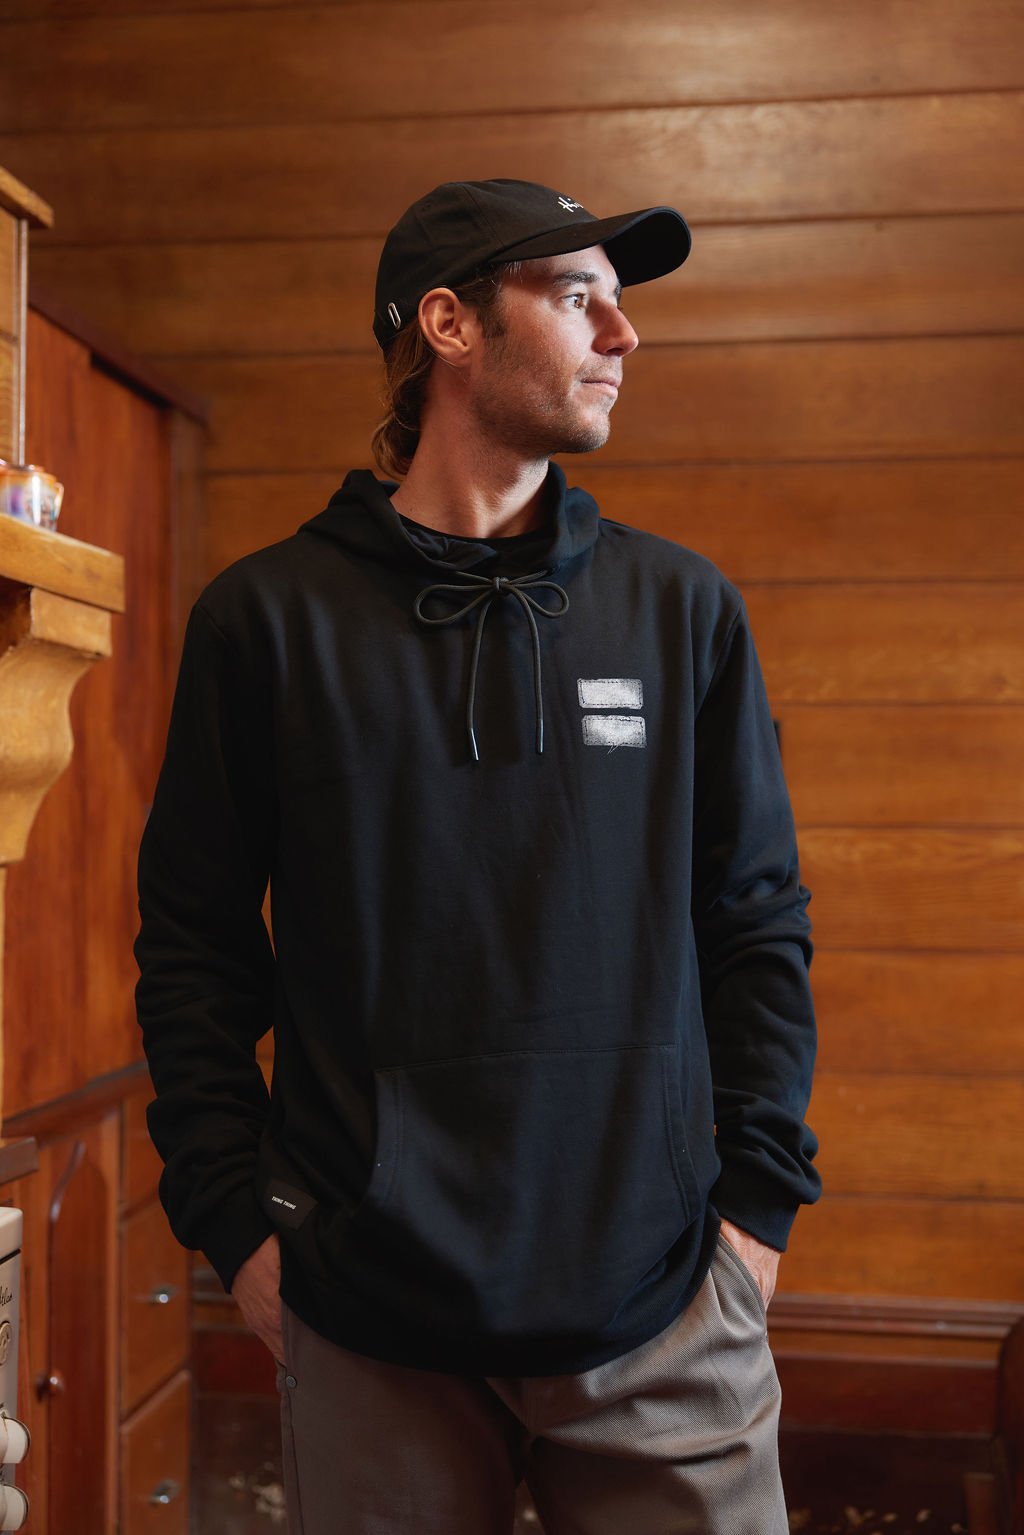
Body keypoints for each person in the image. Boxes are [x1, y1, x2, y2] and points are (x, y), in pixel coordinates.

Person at [136, 178, 820, 1535]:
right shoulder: (267, 621)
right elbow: (194, 946)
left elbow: (754, 920)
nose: (623, 334)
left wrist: (755, 1213)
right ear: (449, 325)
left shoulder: (682, 610)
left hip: (667, 1313)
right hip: (369, 1318)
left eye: (619, 302)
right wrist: (236, 1224)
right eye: (578, 296)